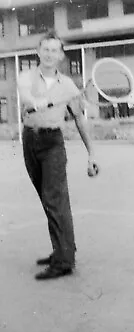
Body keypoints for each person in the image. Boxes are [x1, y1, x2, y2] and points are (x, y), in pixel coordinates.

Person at [18, 30, 99, 280]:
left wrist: (91, 153)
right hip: (30, 139)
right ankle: (62, 249)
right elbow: (26, 97)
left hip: (53, 142)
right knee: (46, 198)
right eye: (46, 49)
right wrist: (38, 102)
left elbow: (79, 119)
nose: (50, 54)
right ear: (38, 52)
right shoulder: (26, 77)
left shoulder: (68, 86)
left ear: (61, 56)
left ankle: (64, 261)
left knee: (55, 199)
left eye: (55, 50)